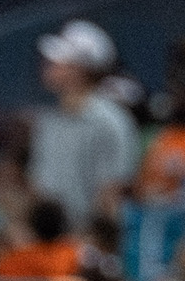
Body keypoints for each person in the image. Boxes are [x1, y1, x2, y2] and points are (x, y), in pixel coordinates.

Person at [27, 21, 138, 231]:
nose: (48, 64)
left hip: (90, 240)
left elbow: (113, 190)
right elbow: (39, 187)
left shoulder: (112, 122)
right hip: (51, 241)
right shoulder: (48, 121)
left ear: (80, 69)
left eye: (60, 61)